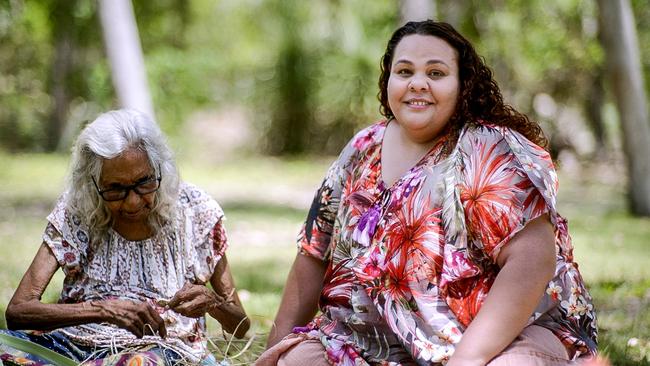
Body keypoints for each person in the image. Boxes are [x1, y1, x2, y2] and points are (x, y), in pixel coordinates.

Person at [256, 20, 597, 366]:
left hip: (498, 340)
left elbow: (532, 260)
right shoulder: (363, 148)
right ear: (389, 80)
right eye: (405, 71)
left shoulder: (489, 149)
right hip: (372, 345)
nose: (418, 83)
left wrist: (467, 360)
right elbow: (314, 253)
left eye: (436, 73)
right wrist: (276, 348)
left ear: (463, 85)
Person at [1, 109, 250, 366]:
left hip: (159, 352)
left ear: (160, 169)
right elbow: (19, 311)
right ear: (93, 183)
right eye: (115, 189)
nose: (132, 202)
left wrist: (212, 303)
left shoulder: (196, 211)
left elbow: (240, 325)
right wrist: (103, 310)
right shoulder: (78, 209)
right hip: (71, 347)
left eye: (144, 182)